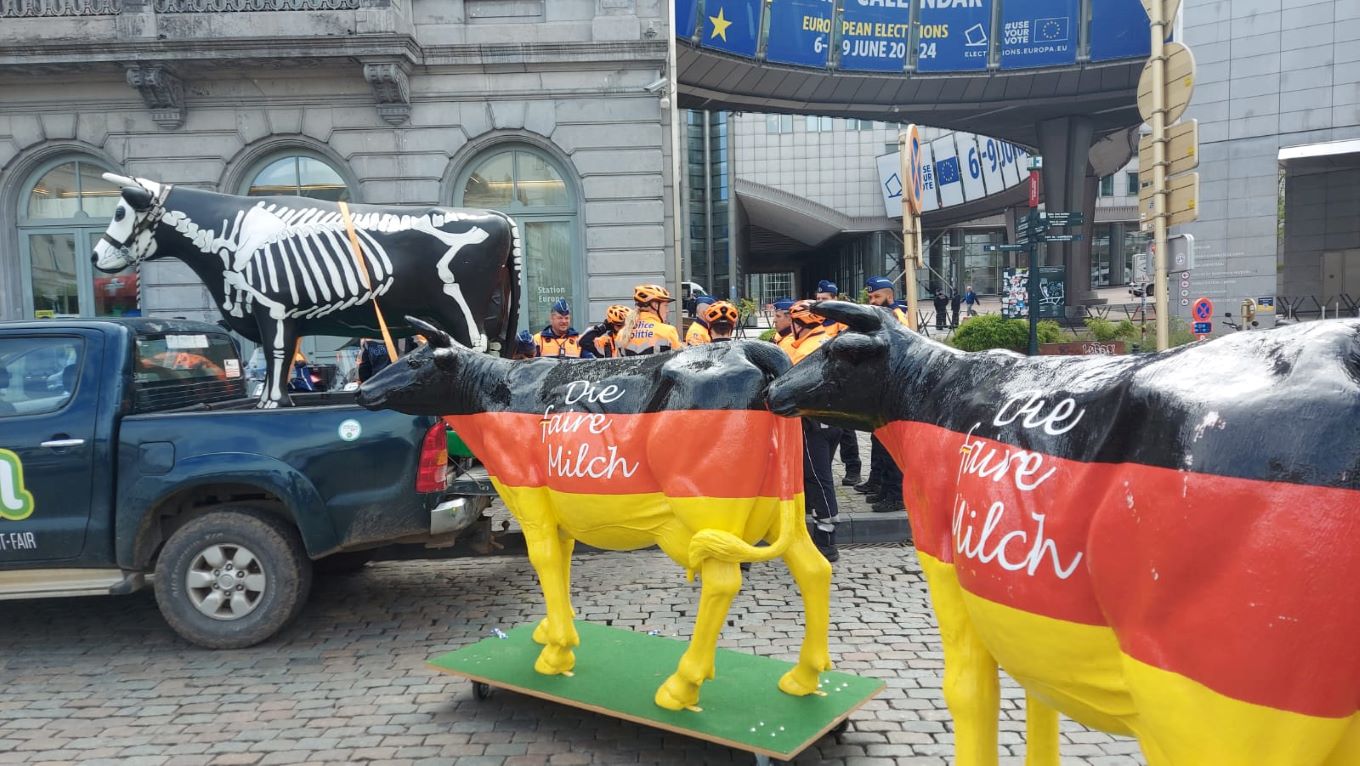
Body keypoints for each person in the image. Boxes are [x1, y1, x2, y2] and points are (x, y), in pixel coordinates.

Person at [780, 300, 841, 562]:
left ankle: (826, 540)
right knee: (819, 475)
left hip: (811, 422)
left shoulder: (801, 352)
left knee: (818, 478)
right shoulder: (829, 341)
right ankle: (813, 530)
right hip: (835, 419)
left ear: (797, 323)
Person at [859, 277, 907, 514]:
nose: (872, 301)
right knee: (879, 441)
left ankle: (895, 494)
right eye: (870, 298)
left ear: (889, 295)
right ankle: (881, 485)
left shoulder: (895, 317)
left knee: (890, 445)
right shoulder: (883, 315)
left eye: (876, 297)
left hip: (892, 387)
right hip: (881, 386)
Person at [814, 279, 859, 484]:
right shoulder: (814, 321)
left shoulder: (843, 323)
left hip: (842, 381)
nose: (821, 302)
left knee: (846, 428)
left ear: (835, 299)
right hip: (821, 382)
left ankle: (853, 468)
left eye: (825, 299)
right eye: (818, 299)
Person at [618, 284, 683, 356]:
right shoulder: (668, 331)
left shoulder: (622, 333)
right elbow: (681, 360)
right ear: (655, 305)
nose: (667, 310)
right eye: (665, 306)